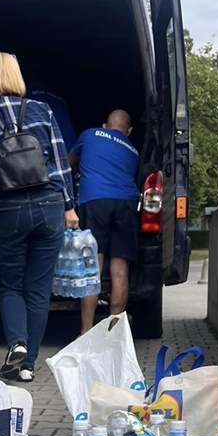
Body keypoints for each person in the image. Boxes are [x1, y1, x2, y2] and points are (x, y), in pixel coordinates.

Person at [0, 51, 78, 383]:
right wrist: (69, 205)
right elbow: (59, 163)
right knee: (39, 289)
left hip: (8, 210)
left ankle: (16, 343)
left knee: (12, 286)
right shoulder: (43, 111)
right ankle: (28, 364)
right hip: (48, 206)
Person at [69, 109, 141, 332]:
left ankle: (86, 331)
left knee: (93, 266)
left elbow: (68, 163)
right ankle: (113, 333)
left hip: (95, 201)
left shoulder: (90, 134)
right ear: (129, 131)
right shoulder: (133, 151)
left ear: (104, 125)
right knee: (120, 271)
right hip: (127, 203)